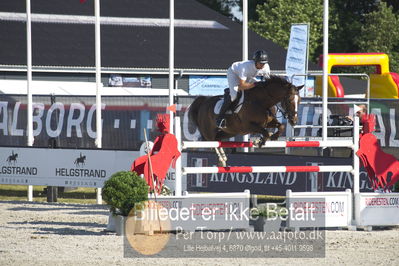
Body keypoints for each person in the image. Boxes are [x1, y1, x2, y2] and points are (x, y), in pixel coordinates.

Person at [216, 50, 271, 129]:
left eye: (264, 63)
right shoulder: (246, 67)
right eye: (260, 63)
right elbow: (241, 86)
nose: (262, 65)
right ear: (255, 61)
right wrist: (255, 84)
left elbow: (268, 82)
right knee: (234, 96)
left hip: (248, 76)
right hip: (234, 73)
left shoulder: (266, 67)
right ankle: (220, 118)